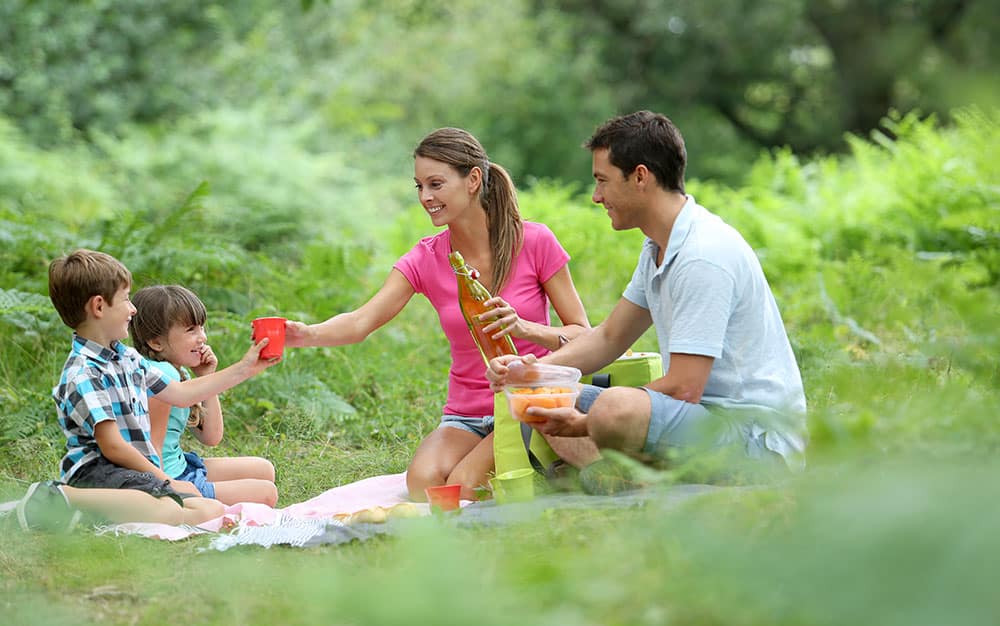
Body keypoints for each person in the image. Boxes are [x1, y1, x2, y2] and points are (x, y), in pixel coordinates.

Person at [487, 110, 807, 479]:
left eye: (602, 181)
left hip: (752, 442)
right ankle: (633, 476)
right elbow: (609, 337)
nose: (596, 196)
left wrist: (589, 422)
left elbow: (685, 386)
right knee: (552, 398)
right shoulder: (658, 247)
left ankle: (629, 473)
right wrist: (534, 374)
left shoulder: (702, 255)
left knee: (613, 407)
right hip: (695, 421)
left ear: (640, 176)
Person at [285, 127, 590, 501]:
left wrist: (524, 327)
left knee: (463, 486)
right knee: (423, 484)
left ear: (473, 179)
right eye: (419, 186)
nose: (426, 197)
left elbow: (582, 333)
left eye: (436, 184)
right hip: (467, 413)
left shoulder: (536, 241)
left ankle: (551, 463)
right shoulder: (426, 258)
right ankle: (529, 467)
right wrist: (305, 334)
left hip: (527, 400)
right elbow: (361, 321)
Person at [42, 249, 278, 527]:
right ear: (98, 307)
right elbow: (113, 446)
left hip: (132, 471)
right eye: (126, 299)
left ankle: (94, 507)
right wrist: (166, 481)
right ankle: (63, 497)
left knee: (208, 509)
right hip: (99, 474)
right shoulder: (84, 372)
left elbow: (182, 395)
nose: (133, 309)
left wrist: (247, 367)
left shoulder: (127, 358)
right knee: (206, 511)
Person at [129, 285, 279, 507]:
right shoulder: (162, 375)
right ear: (156, 342)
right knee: (267, 493)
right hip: (167, 478)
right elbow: (152, 449)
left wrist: (206, 376)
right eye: (190, 330)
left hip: (180, 465)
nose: (202, 337)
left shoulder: (177, 372)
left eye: (201, 328)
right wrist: (167, 495)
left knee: (265, 469)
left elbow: (211, 437)